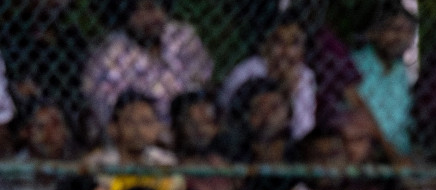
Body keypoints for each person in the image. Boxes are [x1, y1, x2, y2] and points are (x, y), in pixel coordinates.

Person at [81, 0, 213, 134]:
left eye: (160, 6)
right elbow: (110, 122)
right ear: (126, 13)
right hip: (143, 140)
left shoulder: (181, 36)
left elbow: (205, 85)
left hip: (192, 132)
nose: (157, 16)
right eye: (147, 9)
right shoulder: (107, 57)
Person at [220, 12, 317, 141]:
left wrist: (290, 93)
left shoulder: (304, 75)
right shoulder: (249, 69)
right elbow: (225, 106)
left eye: (294, 43)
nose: (286, 50)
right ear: (266, 45)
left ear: (303, 50)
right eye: (279, 42)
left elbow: (304, 128)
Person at [88, 90, 183, 190]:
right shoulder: (98, 164)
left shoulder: (167, 162)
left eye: (146, 122)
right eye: (130, 122)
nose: (138, 129)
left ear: (157, 127)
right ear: (113, 128)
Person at [352, 1, 417, 158]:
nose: (402, 37)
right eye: (395, 29)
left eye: (409, 31)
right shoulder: (356, 66)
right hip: (368, 151)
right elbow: (359, 117)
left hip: (400, 152)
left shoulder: (401, 71)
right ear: (374, 32)